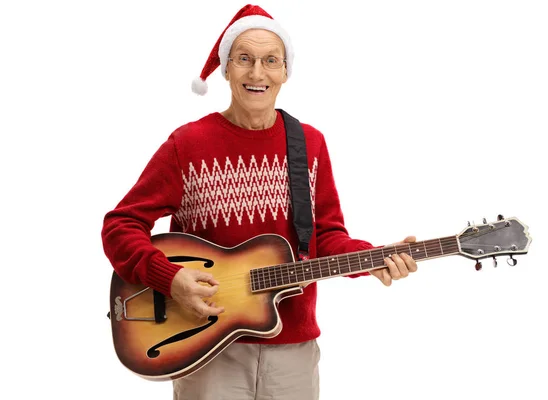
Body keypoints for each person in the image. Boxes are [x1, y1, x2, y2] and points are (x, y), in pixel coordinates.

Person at [101, 4, 418, 399]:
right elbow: (120, 225)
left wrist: (374, 257)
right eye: (244, 59)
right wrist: (170, 278)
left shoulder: (310, 144)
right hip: (205, 345)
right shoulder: (188, 144)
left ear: (285, 71)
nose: (257, 73)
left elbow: (326, 236)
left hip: (293, 350)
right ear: (226, 68)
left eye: (271, 61)